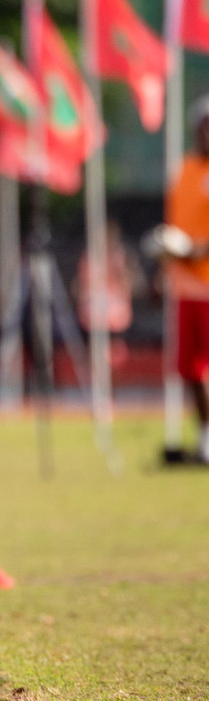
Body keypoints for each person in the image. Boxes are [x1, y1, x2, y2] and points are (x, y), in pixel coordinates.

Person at [164, 97, 209, 464]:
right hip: (185, 287)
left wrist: (200, 250)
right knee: (191, 370)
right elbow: (176, 226)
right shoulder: (185, 172)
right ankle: (206, 441)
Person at [74, 220, 144, 369]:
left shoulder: (122, 256)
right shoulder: (89, 256)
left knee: (114, 351)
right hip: (92, 311)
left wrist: (121, 274)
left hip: (116, 313)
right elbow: (80, 285)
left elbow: (136, 283)